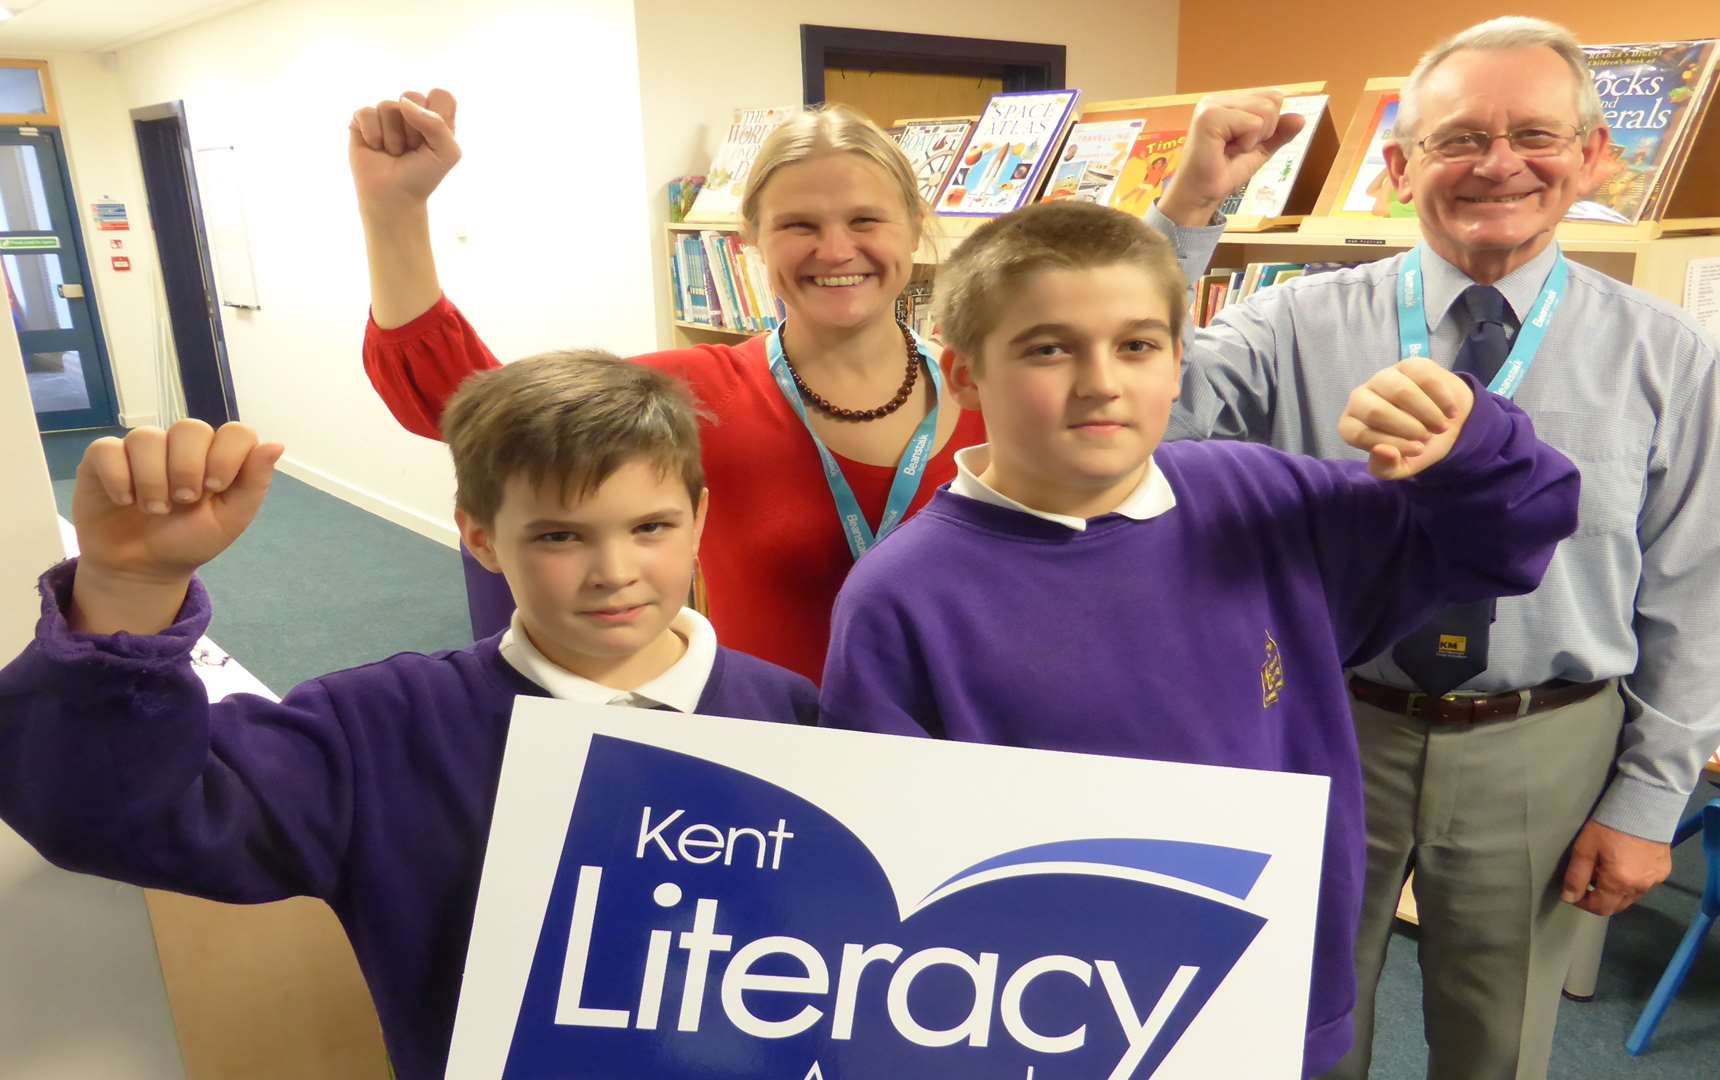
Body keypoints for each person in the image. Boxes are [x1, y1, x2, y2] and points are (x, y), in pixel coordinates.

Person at [817, 199, 1581, 1077]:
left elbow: (1506, 541)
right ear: (964, 375)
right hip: (1046, 1024)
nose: (1101, 380)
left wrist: (1469, 442)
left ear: (1180, 364)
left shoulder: (1258, 498)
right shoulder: (901, 597)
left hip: (1271, 991)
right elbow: (890, 867)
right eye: (1048, 347)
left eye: (1137, 345)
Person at [1147, 16, 1720, 1078]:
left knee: (1497, 1047)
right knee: (1291, 1027)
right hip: (1330, 720)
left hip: (1545, 746)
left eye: (1536, 134)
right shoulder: (1292, 324)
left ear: (1593, 158)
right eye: (1460, 137)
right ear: (1399, 165)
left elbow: (1693, 592)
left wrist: (1651, 802)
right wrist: (1194, 211)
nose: (1500, 163)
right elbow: (1136, 409)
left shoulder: (1667, 356)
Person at [0, 352, 817, 1080]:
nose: (614, 572)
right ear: (481, 539)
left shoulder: (794, 715)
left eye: (651, 528)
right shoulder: (374, 730)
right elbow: (107, 819)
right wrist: (129, 593)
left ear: (700, 519)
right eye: (560, 536)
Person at [351, 91, 983, 682]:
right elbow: (470, 407)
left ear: (915, 225)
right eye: (799, 226)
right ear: (752, 239)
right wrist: (395, 213)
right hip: (779, 744)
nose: (837, 249)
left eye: (865, 220)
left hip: (968, 745)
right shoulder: (699, 394)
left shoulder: (994, 390)